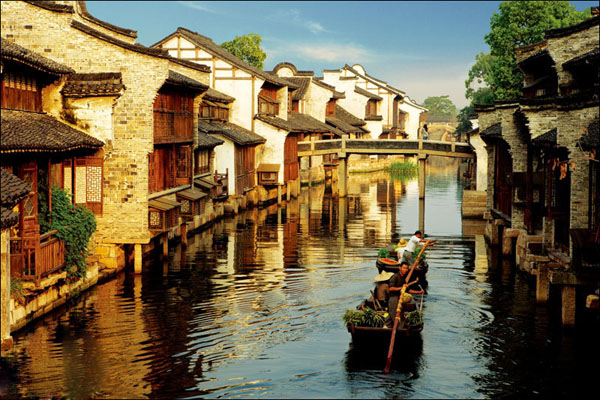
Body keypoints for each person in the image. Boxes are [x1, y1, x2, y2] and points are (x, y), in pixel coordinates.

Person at [385, 261, 424, 327]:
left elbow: (408, 290)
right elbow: (391, 288)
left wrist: (419, 292)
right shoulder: (395, 276)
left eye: (407, 268)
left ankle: (392, 326)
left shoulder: (403, 279)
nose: (405, 270)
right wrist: (401, 288)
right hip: (393, 299)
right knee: (394, 316)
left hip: (399, 299)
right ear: (400, 268)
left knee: (401, 316)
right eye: (404, 268)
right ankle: (393, 328)